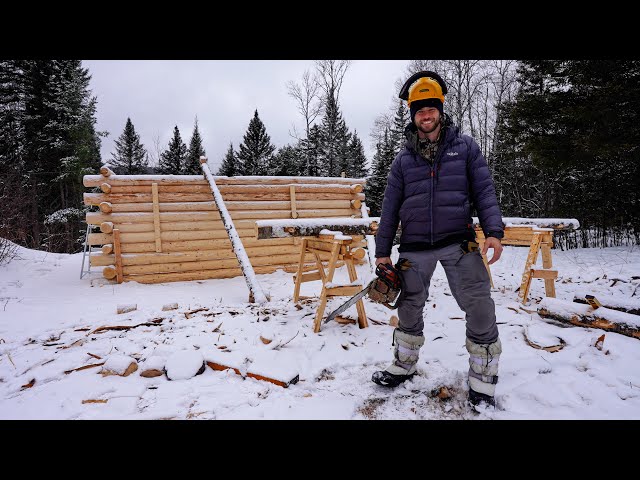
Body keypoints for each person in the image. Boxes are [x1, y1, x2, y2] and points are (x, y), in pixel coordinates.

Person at [371, 71, 504, 408]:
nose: (426, 116)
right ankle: (403, 365)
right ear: (413, 116)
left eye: (431, 109)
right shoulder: (403, 159)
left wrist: (493, 232)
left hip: (459, 239)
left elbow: (484, 191)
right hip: (415, 245)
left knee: (478, 302)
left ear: (440, 111)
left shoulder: (465, 148)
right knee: (409, 305)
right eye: (419, 111)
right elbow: (389, 206)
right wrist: (382, 251)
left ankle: (483, 376)